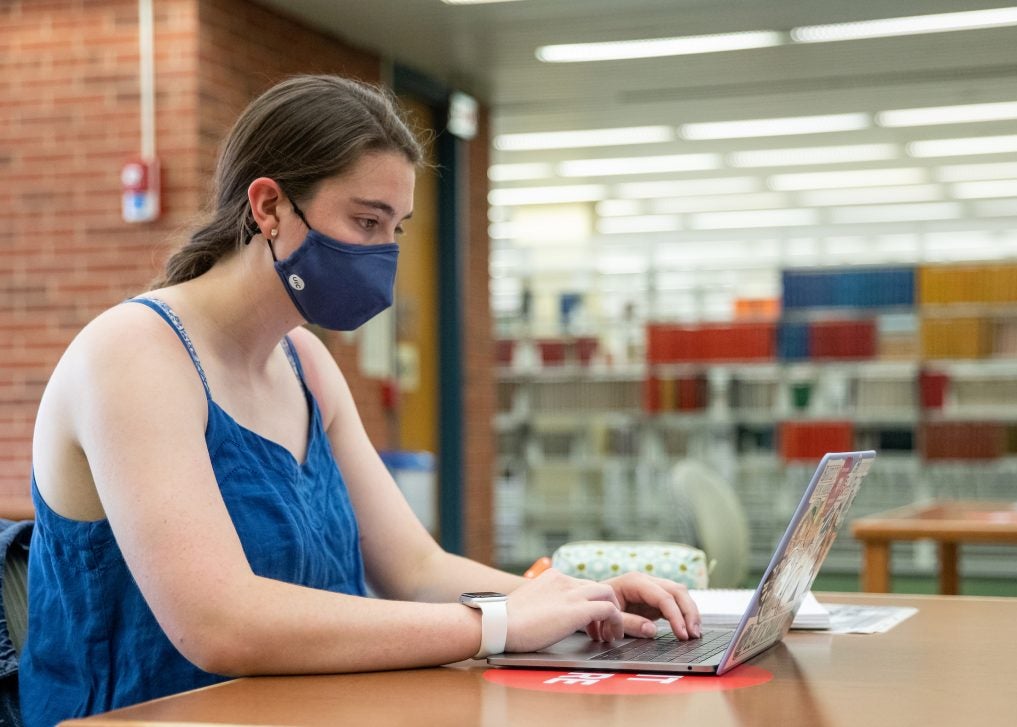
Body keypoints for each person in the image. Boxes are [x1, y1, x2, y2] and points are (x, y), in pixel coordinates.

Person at [18, 75, 701, 726]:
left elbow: (415, 566)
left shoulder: (306, 363)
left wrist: (583, 598)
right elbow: (219, 623)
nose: (385, 253)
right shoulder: (133, 355)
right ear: (269, 207)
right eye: (367, 221)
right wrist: (494, 623)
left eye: (396, 228)